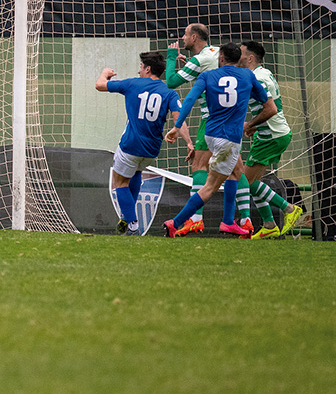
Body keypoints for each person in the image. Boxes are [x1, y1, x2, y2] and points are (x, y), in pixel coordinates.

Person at [163, 42, 276, 238]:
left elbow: (189, 99)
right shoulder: (248, 75)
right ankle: (176, 222)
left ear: (221, 58)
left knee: (236, 172)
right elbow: (269, 106)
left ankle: (229, 221)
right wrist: (252, 123)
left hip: (210, 133)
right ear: (238, 59)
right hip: (229, 137)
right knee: (211, 187)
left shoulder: (207, 75)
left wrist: (176, 126)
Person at [95, 52, 191, 235]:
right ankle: (127, 216)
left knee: (119, 183)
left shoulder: (132, 84)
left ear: (148, 69)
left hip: (131, 145)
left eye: (140, 67)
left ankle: (132, 224)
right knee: (136, 172)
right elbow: (179, 118)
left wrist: (105, 73)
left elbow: (99, 85)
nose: (138, 71)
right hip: (151, 150)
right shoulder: (169, 92)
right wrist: (188, 142)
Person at [163, 22, 224, 236]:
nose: (182, 37)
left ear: (195, 37)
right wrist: (189, 63)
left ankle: (196, 219)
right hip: (230, 117)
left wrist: (171, 57)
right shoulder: (217, 52)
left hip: (211, 119)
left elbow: (171, 82)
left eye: (185, 34)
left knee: (199, 165)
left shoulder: (199, 60)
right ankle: (244, 220)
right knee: (236, 170)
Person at [238, 41, 304, 239]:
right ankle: (269, 225)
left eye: (241, 53)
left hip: (272, 136)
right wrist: (256, 126)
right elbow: (270, 108)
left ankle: (289, 208)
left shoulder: (257, 78)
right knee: (254, 182)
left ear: (250, 58)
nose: (238, 56)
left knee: (246, 182)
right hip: (272, 133)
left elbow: (271, 109)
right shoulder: (263, 73)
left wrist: (249, 124)